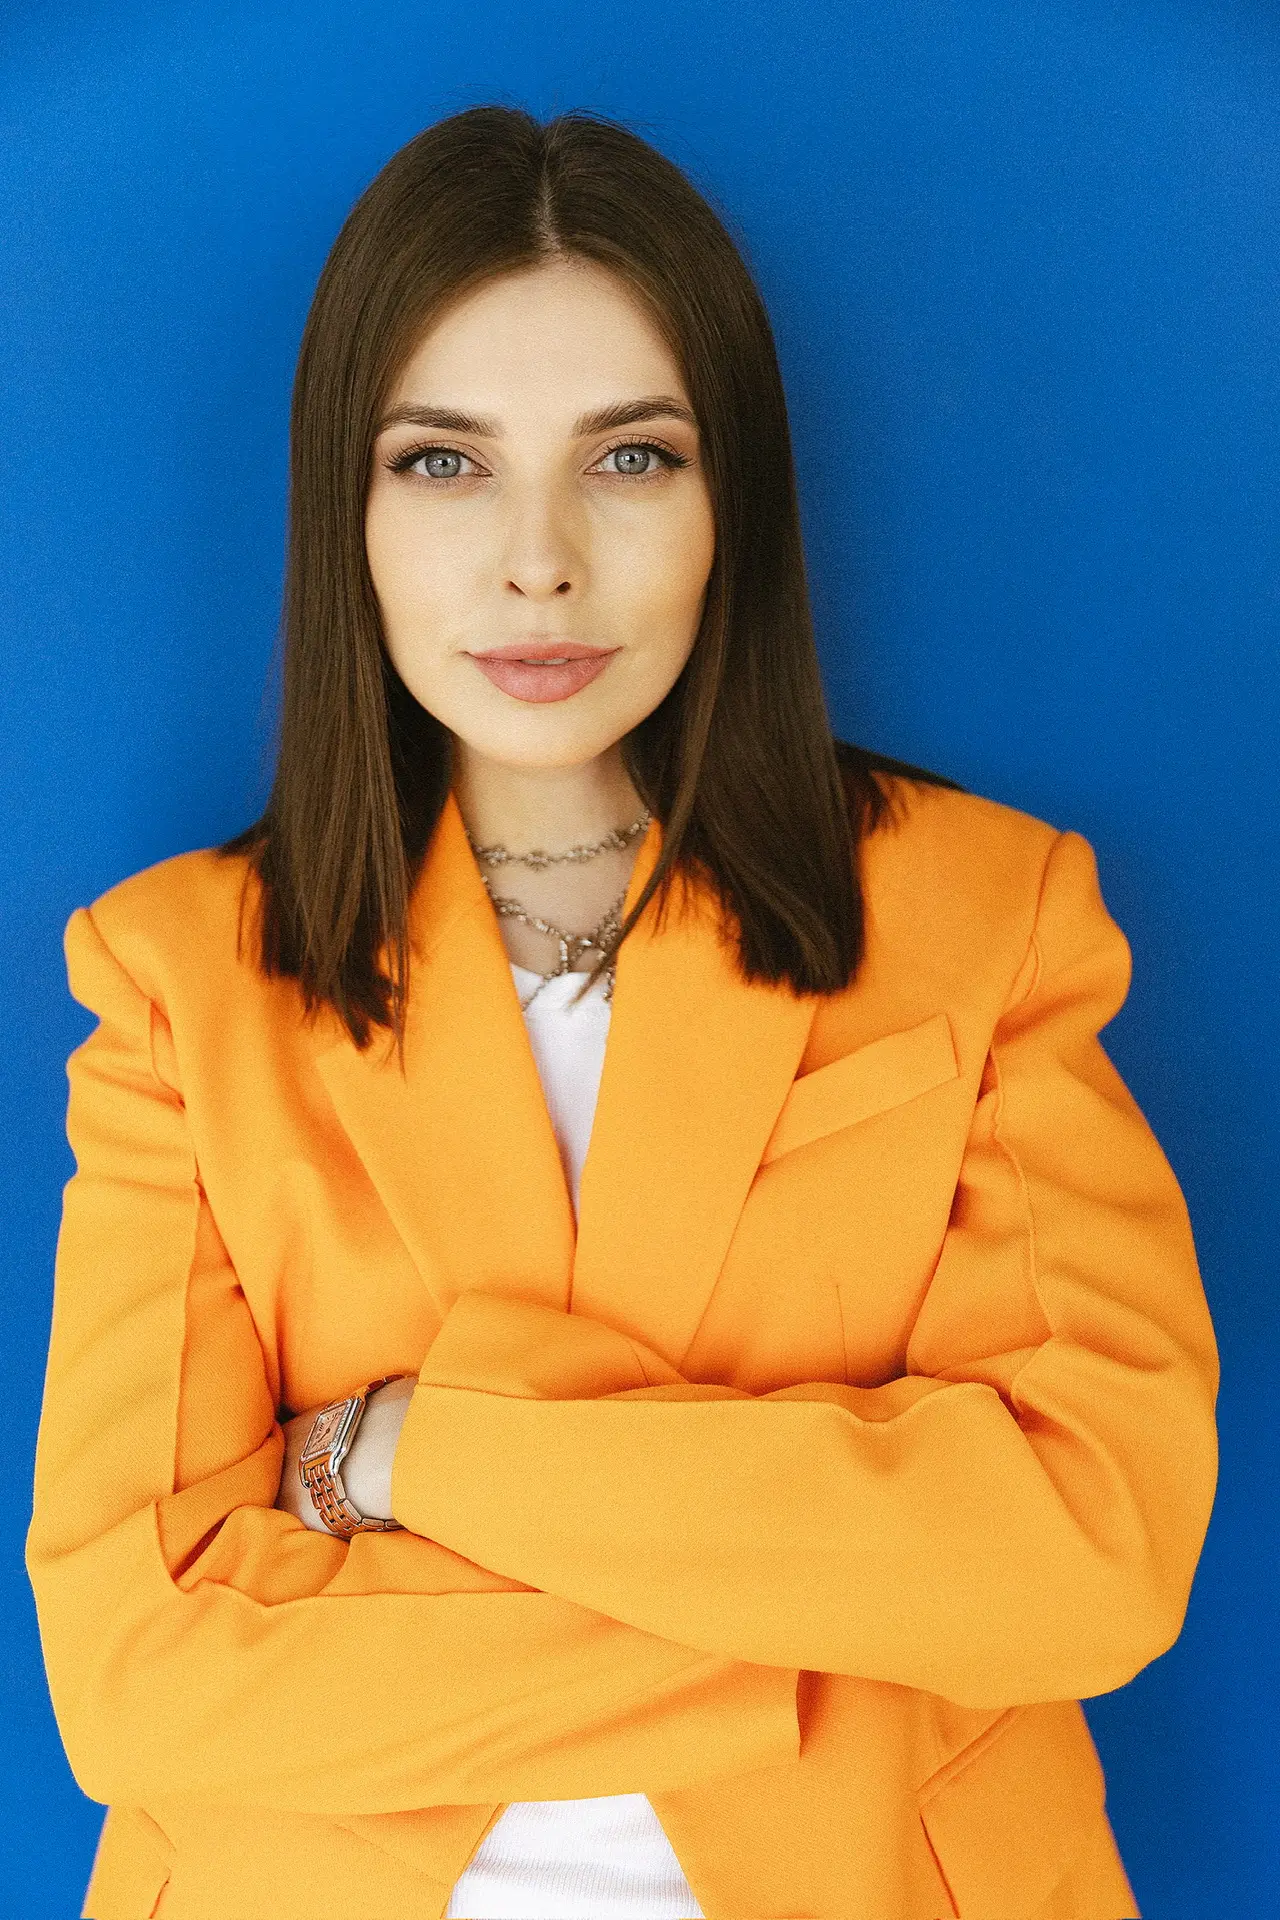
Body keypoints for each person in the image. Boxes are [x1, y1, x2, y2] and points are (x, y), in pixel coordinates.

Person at [25, 104, 1219, 1920]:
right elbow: (139, 1678)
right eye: (444, 462)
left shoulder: (988, 917)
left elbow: (1091, 1549)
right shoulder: (176, 980)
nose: (540, 560)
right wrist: (830, 1622)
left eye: (632, 457)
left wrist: (407, 1453)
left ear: (734, 501)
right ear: (348, 511)